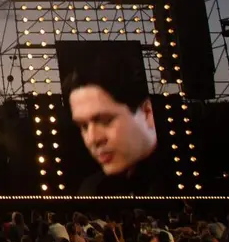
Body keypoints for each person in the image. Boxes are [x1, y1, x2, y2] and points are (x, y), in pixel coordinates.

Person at [63, 53, 162, 194]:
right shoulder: (92, 189)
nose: (92, 139)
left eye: (105, 121)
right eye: (84, 126)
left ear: (147, 112)